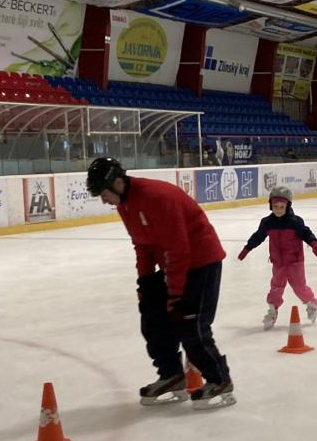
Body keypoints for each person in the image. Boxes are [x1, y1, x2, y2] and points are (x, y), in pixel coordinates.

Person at [86, 158, 235, 409]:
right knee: (153, 318)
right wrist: (145, 282)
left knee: (191, 324)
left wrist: (176, 295)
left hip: (201, 262)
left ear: (117, 182)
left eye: (103, 194)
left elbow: (178, 249)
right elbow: (142, 245)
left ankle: (220, 380)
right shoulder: (124, 204)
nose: (103, 200)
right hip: (173, 264)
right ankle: (171, 376)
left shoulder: (157, 197)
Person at [237, 185, 317, 330]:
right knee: (276, 287)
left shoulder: (295, 222)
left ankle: (312, 303)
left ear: (288, 206)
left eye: (282, 207)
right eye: (275, 206)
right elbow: (258, 236)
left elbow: (306, 233)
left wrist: (314, 243)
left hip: (295, 261)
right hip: (278, 262)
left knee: (299, 286)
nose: (278, 209)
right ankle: (273, 310)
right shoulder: (267, 222)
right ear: (271, 206)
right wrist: (247, 248)